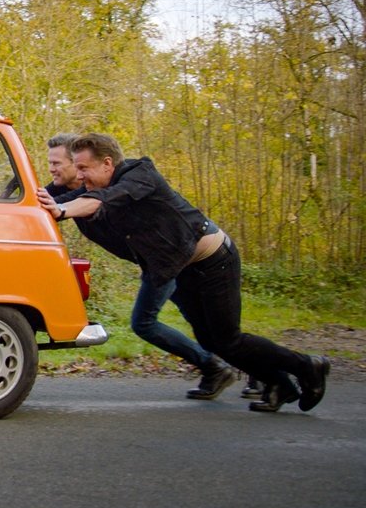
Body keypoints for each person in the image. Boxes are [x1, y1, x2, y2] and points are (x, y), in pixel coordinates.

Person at [38, 133, 329, 413]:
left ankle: (307, 366)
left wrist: (62, 210)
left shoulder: (140, 174)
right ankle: (280, 384)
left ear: (107, 164)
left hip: (214, 260)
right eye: (76, 168)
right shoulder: (90, 189)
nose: (80, 175)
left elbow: (104, 198)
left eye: (84, 168)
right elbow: (62, 198)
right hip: (180, 268)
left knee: (228, 339)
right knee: (210, 341)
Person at [46, 133, 231, 400]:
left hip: (174, 256)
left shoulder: (126, 179)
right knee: (203, 325)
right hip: (157, 263)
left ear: (78, 164)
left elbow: (103, 200)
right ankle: (244, 371)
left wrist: (64, 209)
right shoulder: (69, 191)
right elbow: (33, 198)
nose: (51, 169)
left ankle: (217, 365)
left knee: (146, 323)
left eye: (57, 163)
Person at [44, 133, 84, 198]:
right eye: (50, 163)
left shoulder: (100, 190)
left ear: (76, 163)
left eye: (56, 163)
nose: (51, 169)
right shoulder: (52, 190)